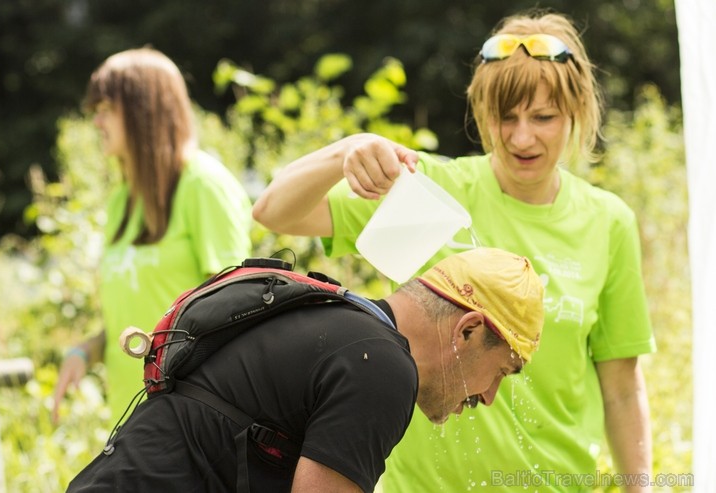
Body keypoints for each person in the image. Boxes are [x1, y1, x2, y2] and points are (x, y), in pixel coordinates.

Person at [252, 9, 656, 492]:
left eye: (543, 117)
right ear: (483, 115)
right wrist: (347, 152)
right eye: (505, 118)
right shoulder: (431, 191)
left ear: (578, 111)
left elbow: (621, 389)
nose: (522, 137)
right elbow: (276, 212)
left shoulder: (607, 221)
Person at [67, 247, 544, 492]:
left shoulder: (339, 327)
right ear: (467, 330)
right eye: (501, 372)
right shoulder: (383, 369)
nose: (488, 397)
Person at [52, 47, 253, 424]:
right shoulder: (121, 202)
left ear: (144, 111)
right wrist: (86, 351)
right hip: (131, 424)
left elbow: (236, 315)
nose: (96, 122)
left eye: (106, 110)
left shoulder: (204, 185)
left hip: (190, 424)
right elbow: (138, 315)